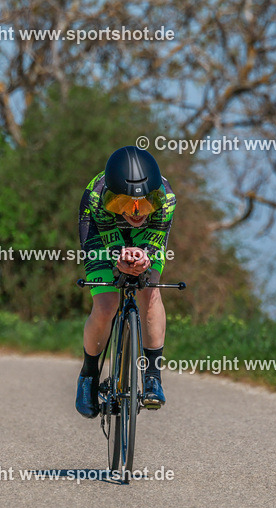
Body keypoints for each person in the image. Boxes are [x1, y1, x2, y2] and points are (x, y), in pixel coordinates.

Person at [75, 145, 175, 418]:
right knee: (106, 304)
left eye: (145, 204)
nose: (136, 212)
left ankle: (153, 377)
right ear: (112, 198)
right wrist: (118, 256)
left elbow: (154, 244)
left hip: (147, 235)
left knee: (150, 292)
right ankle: (88, 376)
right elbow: (111, 244)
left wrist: (145, 257)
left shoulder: (166, 200)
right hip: (101, 229)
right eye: (125, 204)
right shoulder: (98, 198)